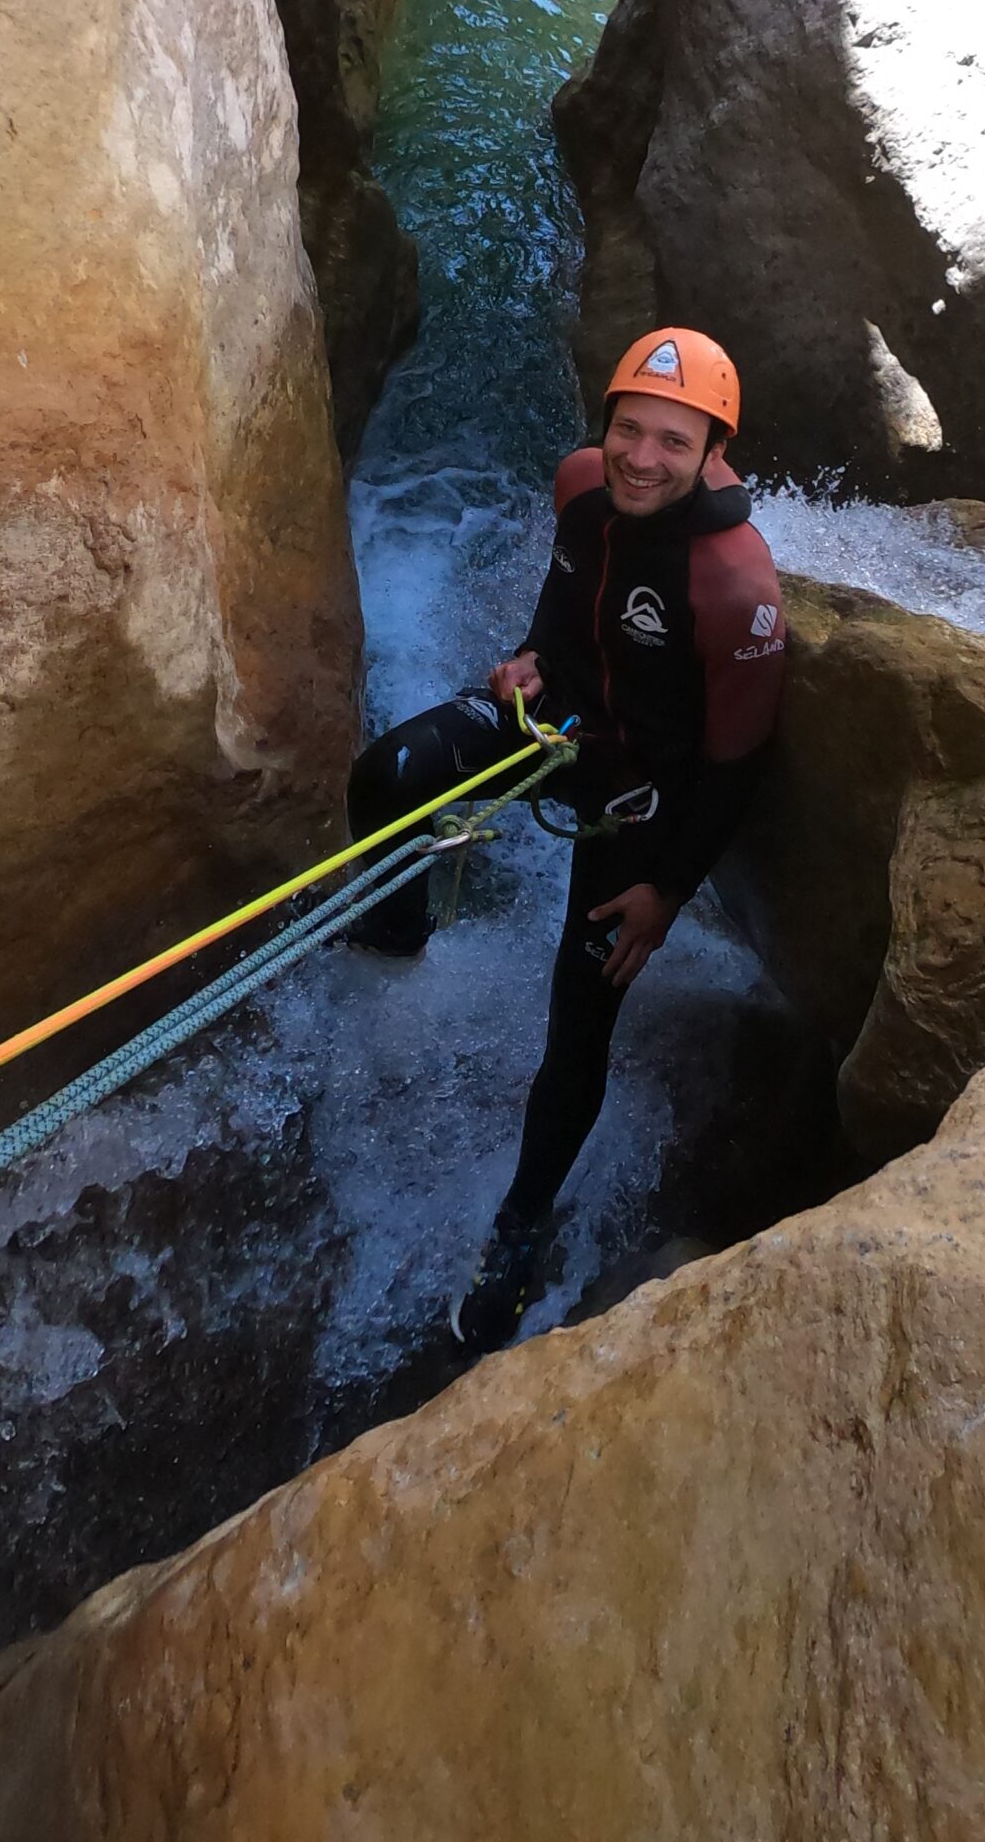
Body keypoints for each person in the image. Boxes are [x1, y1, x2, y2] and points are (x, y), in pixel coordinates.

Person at [344, 330, 787, 1353]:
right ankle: (395, 936)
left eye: (672, 441)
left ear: (714, 450)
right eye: (629, 428)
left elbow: (736, 765)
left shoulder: (737, 586)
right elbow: (562, 606)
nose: (641, 458)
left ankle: (518, 1227)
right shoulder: (582, 484)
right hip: (559, 721)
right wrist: (526, 659)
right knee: (390, 776)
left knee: (578, 1017)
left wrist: (666, 890)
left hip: (639, 797)